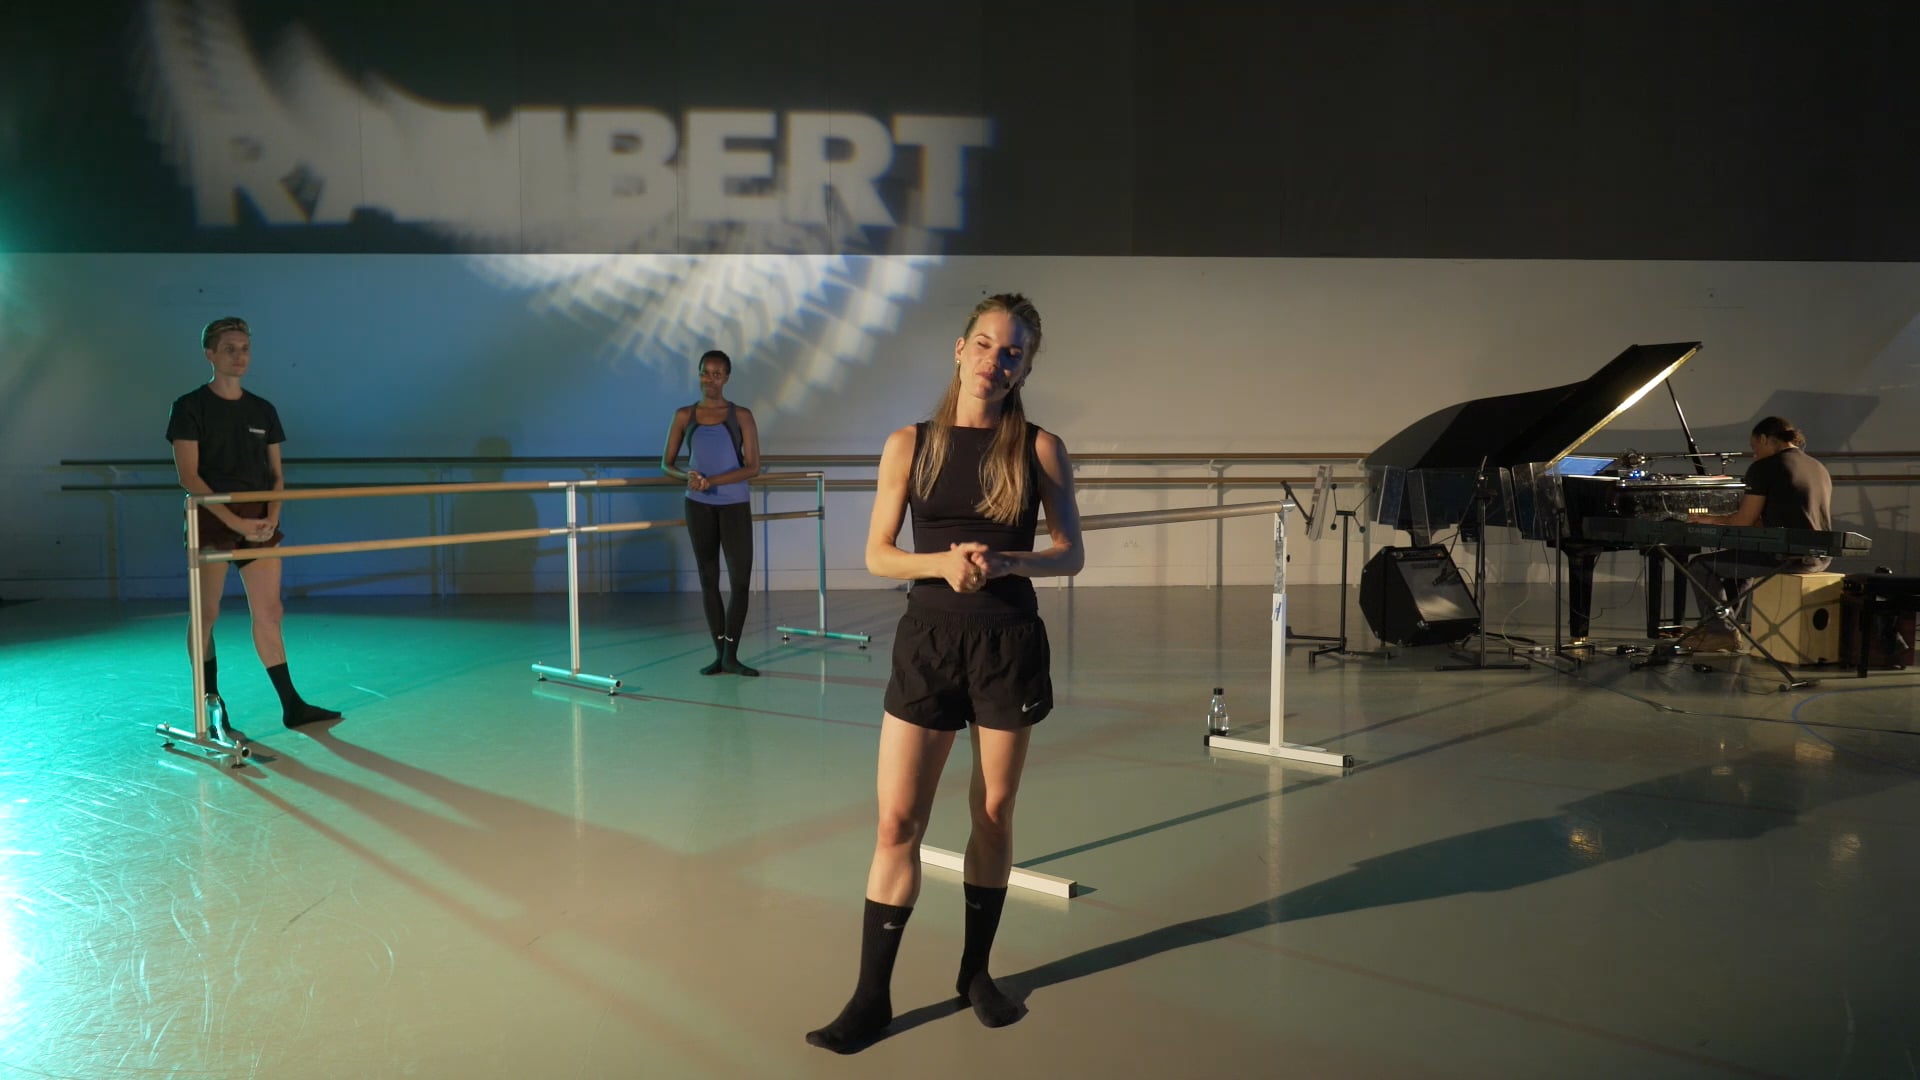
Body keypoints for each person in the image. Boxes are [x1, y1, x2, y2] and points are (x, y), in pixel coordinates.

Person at [806, 294, 1084, 1053]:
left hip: (1007, 644)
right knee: (897, 822)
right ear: (959, 350)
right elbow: (877, 554)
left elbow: (1071, 551)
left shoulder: (1040, 448)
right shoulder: (910, 444)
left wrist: (1006, 561)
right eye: (987, 344)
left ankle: (974, 974)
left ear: (1025, 365)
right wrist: (944, 564)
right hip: (928, 641)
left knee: (992, 813)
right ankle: (871, 999)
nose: (997, 361)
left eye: (1014, 351)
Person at [166, 316, 341, 735]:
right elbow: (189, 477)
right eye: (229, 348)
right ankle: (211, 702)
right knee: (206, 613)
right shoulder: (189, 407)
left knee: (270, 612)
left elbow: (276, 475)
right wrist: (232, 521)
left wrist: (270, 518)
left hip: (259, 522)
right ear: (210, 354)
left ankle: (291, 704)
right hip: (212, 520)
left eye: (244, 348)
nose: (239, 356)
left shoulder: (263, 409)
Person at [1683, 415, 1834, 652]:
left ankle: (1720, 632)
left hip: (1786, 558)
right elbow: (1790, 517)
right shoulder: (1817, 466)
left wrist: (1709, 519)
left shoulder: (1765, 467)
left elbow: (1744, 520)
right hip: (1820, 556)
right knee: (1739, 560)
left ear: (1765, 438)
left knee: (1700, 566)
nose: (1754, 454)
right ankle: (1728, 627)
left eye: (1755, 447)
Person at [660, 349, 763, 676]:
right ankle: (720, 654)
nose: (710, 379)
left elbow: (753, 467)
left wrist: (712, 480)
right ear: (699, 374)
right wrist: (688, 477)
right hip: (698, 506)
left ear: (727, 378)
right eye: (705, 373)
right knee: (708, 579)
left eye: (717, 374)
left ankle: (732, 652)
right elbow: (667, 464)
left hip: (733, 505)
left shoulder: (742, 416)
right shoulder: (683, 415)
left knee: (740, 580)